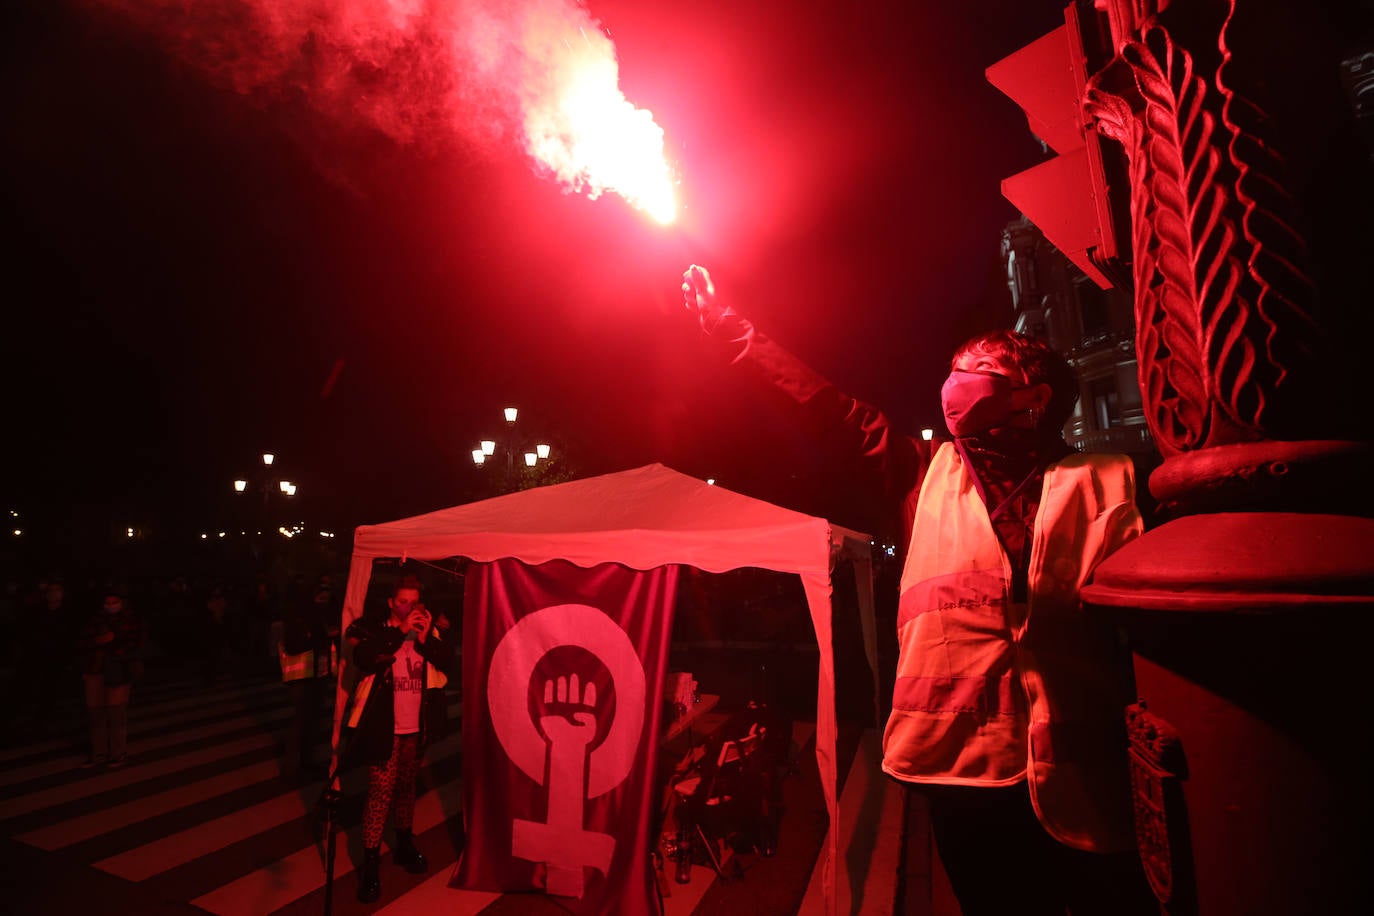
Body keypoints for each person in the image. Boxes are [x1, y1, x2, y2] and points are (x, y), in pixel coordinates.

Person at [681, 265, 1155, 915]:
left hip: (1085, 787)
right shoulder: (921, 474)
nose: (953, 383)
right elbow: (822, 405)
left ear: (1032, 396)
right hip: (962, 780)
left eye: (975, 367)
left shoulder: (1109, 478)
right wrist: (731, 329)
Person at [343, 574, 456, 904]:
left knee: (408, 787)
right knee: (380, 792)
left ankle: (405, 843)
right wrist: (400, 632)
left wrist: (424, 638)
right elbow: (365, 658)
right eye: (403, 601)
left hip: (415, 725)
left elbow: (447, 659)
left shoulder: (426, 628)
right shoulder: (371, 628)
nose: (409, 607)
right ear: (392, 603)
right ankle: (371, 863)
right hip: (384, 725)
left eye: (414, 601)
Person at [78, 587, 146, 768]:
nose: (110, 606)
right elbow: (81, 642)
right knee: (95, 714)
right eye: (107, 603)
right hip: (95, 670)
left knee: (116, 714)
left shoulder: (131, 620)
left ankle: (118, 754)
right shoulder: (95, 620)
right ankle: (98, 754)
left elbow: (136, 645)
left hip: (118, 671)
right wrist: (96, 642)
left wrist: (114, 641)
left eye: (114, 602)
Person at [279, 583, 340, 778]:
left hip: (317, 674)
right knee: (300, 722)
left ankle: (306, 760)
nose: (323, 600)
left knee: (312, 721)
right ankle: (291, 768)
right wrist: (320, 635)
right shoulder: (297, 616)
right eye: (319, 597)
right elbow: (294, 644)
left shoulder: (317, 615)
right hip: (302, 678)